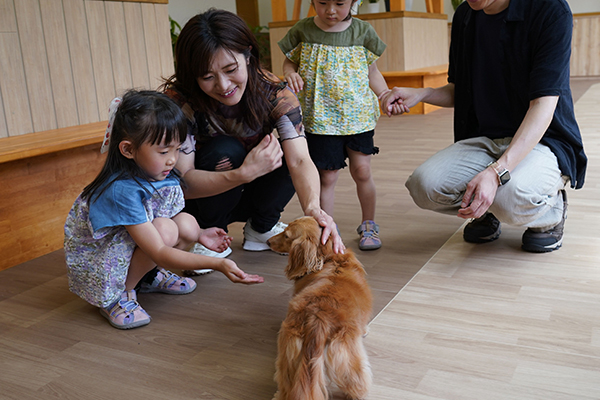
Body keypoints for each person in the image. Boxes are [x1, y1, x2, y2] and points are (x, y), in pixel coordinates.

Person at [381, 0, 586, 253]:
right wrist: (422, 94)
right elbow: (461, 90)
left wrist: (496, 172)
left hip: (542, 141)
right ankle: (487, 208)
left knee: (509, 196)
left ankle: (551, 211)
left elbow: (543, 105)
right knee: (423, 186)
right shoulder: (465, 16)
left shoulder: (550, 10)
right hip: (485, 140)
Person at [64, 90, 264, 330]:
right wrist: (218, 264)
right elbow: (158, 248)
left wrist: (200, 233)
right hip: (101, 259)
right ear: (128, 150)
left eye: (177, 149)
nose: (172, 159)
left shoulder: (156, 172)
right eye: (163, 151)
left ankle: (146, 278)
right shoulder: (122, 190)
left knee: (187, 224)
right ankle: (119, 295)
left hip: (132, 242)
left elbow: (164, 215)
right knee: (166, 231)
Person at [162, 9, 344, 271]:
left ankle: (262, 226)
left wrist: (314, 209)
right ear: (193, 75)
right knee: (225, 150)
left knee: (286, 150)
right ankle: (209, 234)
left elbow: (301, 159)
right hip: (202, 199)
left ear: (248, 54)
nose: (223, 85)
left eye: (230, 69)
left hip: (249, 188)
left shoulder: (276, 94)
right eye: (208, 77)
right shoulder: (180, 103)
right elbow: (182, 184)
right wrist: (243, 174)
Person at [278, 0, 395, 250]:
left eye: (340, 3)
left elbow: (372, 71)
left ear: (354, 2)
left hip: (358, 117)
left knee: (362, 172)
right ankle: (326, 228)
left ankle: (369, 224)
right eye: (322, 3)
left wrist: (384, 94)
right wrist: (290, 73)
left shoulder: (363, 31)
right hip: (321, 119)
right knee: (326, 177)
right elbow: (290, 61)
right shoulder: (302, 30)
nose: (331, 10)